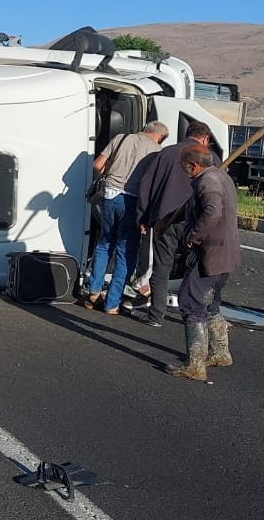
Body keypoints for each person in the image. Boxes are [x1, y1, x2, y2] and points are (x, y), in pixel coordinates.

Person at [128, 122, 216, 327]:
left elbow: (146, 186)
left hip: (164, 220)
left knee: (162, 267)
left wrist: (143, 216)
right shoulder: (211, 158)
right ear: (205, 139)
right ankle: (194, 315)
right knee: (195, 269)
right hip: (195, 222)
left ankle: (156, 314)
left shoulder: (166, 153)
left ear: (187, 134)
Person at [167, 147, 241, 381]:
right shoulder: (222, 177)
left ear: (193, 165)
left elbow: (212, 212)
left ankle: (196, 365)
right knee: (211, 304)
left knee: (191, 302)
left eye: (183, 166)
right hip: (227, 252)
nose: (182, 170)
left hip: (210, 253)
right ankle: (220, 352)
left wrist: (193, 236)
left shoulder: (207, 182)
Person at [81, 121, 164, 313]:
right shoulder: (157, 151)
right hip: (133, 202)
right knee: (126, 252)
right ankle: (112, 303)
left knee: (105, 243)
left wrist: (110, 178)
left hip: (109, 196)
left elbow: (97, 164)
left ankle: (93, 291)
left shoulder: (121, 138)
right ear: (159, 136)